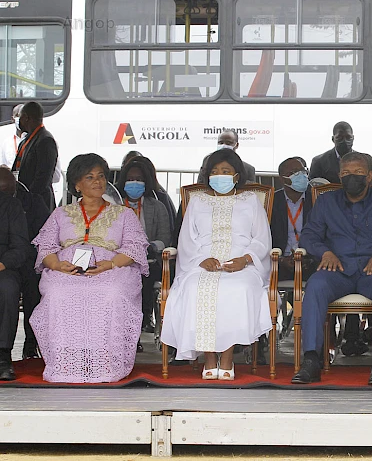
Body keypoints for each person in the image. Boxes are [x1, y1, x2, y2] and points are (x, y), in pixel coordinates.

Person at [292, 152, 372, 385]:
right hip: (338, 268)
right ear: (339, 175)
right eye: (346, 173)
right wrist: (324, 252)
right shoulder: (326, 201)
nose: (351, 177)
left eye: (358, 173)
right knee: (315, 286)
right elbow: (308, 235)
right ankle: (311, 360)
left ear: (369, 176)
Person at [30, 154, 149, 383]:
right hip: (68, 268)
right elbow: (45, 246)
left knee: (111, 293)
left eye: (101, 176)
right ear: (77, 184)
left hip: (111, 269)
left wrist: (112, 263)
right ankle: (66, 363)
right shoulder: (61, 213)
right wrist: (57, 264)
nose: (98, 181)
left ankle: (105, 363)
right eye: (90, 177)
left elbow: (135, 247)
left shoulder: (123, 213)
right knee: (57, 293)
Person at [161, 149, 273, 381]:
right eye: (214, 172)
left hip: (242, 263)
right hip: (201, 262)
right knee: (194, 288)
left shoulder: (250, 200)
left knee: (236, 289)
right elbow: (186, 239)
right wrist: (200, 259)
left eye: (225, 171)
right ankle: (209, 359)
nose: (219, 175)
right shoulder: (197, 200)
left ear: (236, 175)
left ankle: (227, 358)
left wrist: (245, 259)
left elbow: (262, 238)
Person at [116, 157, 172, 334]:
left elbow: (165, 239)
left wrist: (149, 247)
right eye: (130, 179)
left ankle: (139, 325)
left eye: (138, 179)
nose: (134, 183)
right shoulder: (113, 205)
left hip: (147, 260)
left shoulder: (157, 207)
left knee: (143, 277)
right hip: (117, 260)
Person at [0, 167, 49, 360]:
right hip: (13, 259)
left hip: (26, 259)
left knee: (27, 284)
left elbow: (41, 240)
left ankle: (24, 345)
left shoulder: (29, 203)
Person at [0, 169, 29, 380]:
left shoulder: (11, 206)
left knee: (7, 288)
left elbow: (20, 248)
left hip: (2, 266)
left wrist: (2, 264)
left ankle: (2, 356)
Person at [271, 157, 315, 282]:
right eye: (294, 172)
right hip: (279, 260)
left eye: (302, 171)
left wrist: (310, 257)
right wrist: (281, 260)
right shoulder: (272, 202)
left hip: (310, 261)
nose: (300, 175)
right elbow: (266, 237)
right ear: (282, 179)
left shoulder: (317, 199)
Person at [13, 102, 58, 211]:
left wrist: (29, 198)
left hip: (38, 203)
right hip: (25, 199)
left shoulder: (45, 140)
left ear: (26, 118)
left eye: (20, 117)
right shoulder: (27, 140)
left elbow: (43, 176)